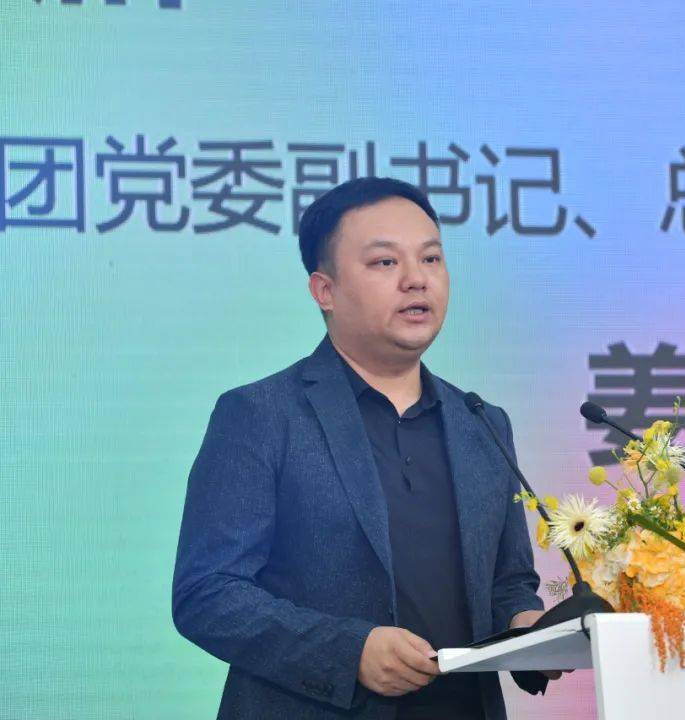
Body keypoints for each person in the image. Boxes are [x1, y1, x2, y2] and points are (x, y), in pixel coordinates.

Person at [172, 177, 561, 719]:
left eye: (431, 259)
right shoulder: (261, 415)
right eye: (385, 262)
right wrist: (348, 652)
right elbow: (208, 593)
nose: (416, 279)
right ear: (324, 291)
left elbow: (508, 583)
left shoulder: (481, 422)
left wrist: (527, 626)